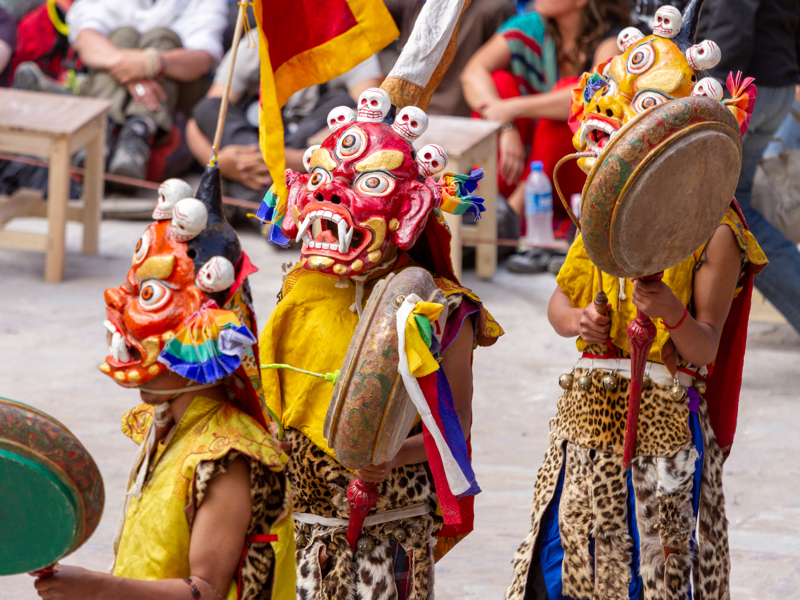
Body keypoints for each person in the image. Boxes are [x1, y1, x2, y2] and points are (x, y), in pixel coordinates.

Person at [505, 3, 768, 598]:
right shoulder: (603, 216)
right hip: (590, 408)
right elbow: (558, 307)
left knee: (650, 565)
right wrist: (581, 320)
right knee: (568, 551)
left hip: (665, 416)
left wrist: (669, 313)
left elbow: (704, 345)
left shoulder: (718, 231)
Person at [256, 88, 502, 599]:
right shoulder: (298, 289)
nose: (328, 198)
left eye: (365, 184)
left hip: (391, 533)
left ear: (409, 208)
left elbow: (456, 430)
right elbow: (272, 407)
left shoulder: (443, 308)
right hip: (306, 522)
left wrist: (390, 456)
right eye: (322, 180)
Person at [33, 165, 294, 600]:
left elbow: (205, 590)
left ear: (204, 331)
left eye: (149, 295)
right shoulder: (166, 423)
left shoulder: (229, 455)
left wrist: (99, 588)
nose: (120, 304)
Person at [461, 0, 632, 273]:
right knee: (500, 82)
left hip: (575, 174)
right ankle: (494, 206)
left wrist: (514, 108)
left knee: (571, 94)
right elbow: (473, 73)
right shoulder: (531, 26)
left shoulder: (612, 39)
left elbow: (593, 97)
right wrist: (507, 126)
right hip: (520, 161)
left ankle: (511, 216)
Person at [185, 36, 382, 225]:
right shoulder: (253, 44)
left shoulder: (347, 40)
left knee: (343, 105)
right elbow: (201, 119)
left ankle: (252, 201)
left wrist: (290, 159)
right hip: (256, 140)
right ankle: (278, 209)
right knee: (210, 107)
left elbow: (373, 123)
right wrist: (220, 161)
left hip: (307, 152)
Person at [698, 0, 800, 335]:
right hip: (769, 83)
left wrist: (709, 92)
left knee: (724, 212)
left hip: (744, 88)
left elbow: (732, 19)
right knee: (732, 209)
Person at [62, 0, 228, 180]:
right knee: (122, 36)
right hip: (123, 77)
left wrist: (152, 63)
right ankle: (113, 135)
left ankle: (134, 129)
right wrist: (128, 69)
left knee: (163, 38)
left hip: (176, 93)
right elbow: (86, 39)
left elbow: (202, 58)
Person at [385, 0, 516, 118]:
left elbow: (505, 80)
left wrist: (505, 124)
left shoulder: (493, 9)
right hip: (406, 115)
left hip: (465, 120)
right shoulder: (411, 4)